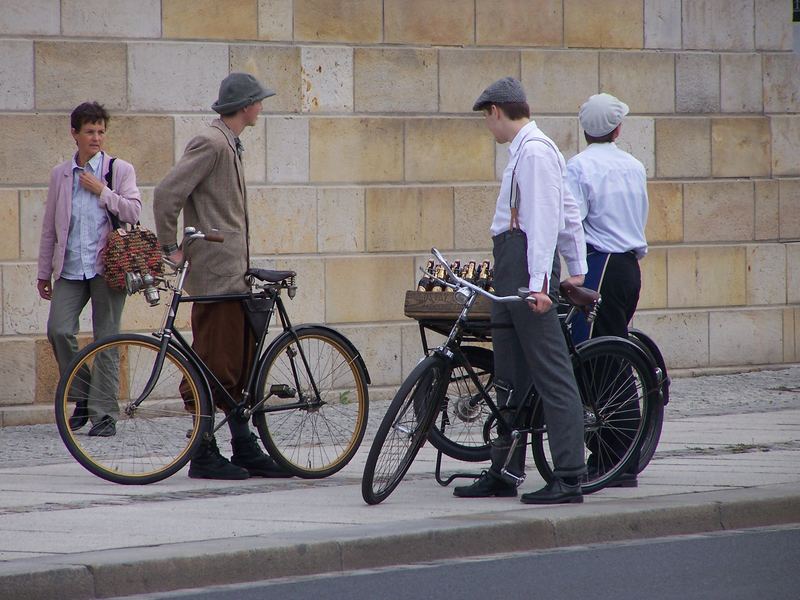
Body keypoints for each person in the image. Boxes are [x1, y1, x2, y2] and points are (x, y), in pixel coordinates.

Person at [453, 77, 588, 504]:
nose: (488, 129)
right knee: (509, 374)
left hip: (525, 268)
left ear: (496, 110)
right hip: (512, 264)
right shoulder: (528, 151)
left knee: (551, 372)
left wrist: (541, 285)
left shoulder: (533, 152)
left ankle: (569, 474)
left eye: (486, 119)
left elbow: (546, 218)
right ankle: (505, 470)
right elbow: (567, 209)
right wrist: (579, 266)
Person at [153, 72, 291, 480]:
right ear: (247, 105)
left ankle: (243, 446)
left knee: (235, 365)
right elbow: (166, 194)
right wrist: (169, 249)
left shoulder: (229, 142)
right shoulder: (211, 142)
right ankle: (204, 453)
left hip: (232, 274)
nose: (261, 107)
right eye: (259, 101)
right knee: (213, 364)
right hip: (214, 276)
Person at [37, 102, 142, 437]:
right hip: (69, 267)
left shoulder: (118, 169)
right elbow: (50, 228)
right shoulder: (61, 174)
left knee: (106, 338)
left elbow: (133, 212)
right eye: (89, 131)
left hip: (107, 268)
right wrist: (43, 272)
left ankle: (105, 415)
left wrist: (104, 191)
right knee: (58, 330)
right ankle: (83, 393)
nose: (96, 138)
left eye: (100, 131)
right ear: (75, 134)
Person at [566, 92, 649, 487]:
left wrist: (571, 272)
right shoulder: (634, 166)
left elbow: (573, 220)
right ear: (617, 129)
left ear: (584, 130)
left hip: (600, 264)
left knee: (600, 360)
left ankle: (615, 458)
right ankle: (618, 454)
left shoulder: (579, 166)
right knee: (615, 350)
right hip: (629, 266)